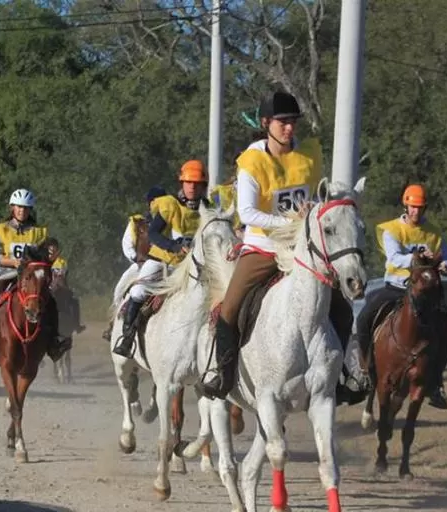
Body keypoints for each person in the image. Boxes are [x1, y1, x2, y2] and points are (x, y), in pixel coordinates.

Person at [200, 90, 356, 401]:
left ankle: (342, 376)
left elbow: (314, 196)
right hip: (263, 248)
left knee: (340, 305)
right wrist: (290, 222)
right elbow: (247, 213)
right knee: (229, 309)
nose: (289, 128)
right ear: (265, 123)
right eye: (282, 122)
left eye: (292, 121)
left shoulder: (309, 155)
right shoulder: (252, 162)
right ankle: (223, 373)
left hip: (303, 250)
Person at [355, 183, 447, 409]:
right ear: (405, 205)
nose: (416, 212)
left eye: (420, 208)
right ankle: (364, 368)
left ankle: (436, 383)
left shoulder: (433, 232)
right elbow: (394, 258)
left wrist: (445, 265)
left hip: (424, 294)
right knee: (363, 319)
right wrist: (418, 258)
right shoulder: (392, 230)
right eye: (412, 207)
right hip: (396, 288)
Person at [113, 162, 208, 357]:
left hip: (195, 265)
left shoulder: (209, 208)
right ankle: (127, 337)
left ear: (203, 185)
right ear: (182, 183)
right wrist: (173, 246)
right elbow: (154, 234)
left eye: (197, 183)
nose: (192, 187)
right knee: (138, 291)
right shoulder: (170, 205)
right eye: (188, 182)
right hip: (164, 261)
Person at [0, 188, 71, 361]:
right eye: (19, 207)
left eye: (26, 208)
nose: (22, 211)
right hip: (6, 273)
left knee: (50, 300)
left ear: (30, 210)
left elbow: (44, 254)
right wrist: (13, 262)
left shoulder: (38, 232)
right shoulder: (1, 230)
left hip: (31, 276)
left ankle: (54, 341)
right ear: (12, 208)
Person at [103, 186, 167, 342]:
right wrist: (136, 258)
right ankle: (116, 327)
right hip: (141, 265)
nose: (156, 204)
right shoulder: (137, 223)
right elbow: (127, 244)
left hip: (168, 265)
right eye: (154, 201)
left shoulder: (172, 219)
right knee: (119, 290)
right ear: (149, 203)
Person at [47, 237, 85, 334]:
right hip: (45, 290)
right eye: (49, 252)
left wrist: (51, 288)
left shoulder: (61, 262)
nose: (50, 255)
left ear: (57, 251)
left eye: (53, 252)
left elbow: (59, 279)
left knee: (74, 301)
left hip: (59, 290)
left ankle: (76, 325)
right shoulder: (42, 261)